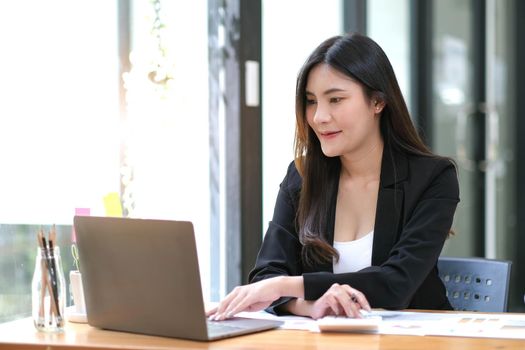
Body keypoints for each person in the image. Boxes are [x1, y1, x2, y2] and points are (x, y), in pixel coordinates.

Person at [207, 33, 459, 321]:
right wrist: (312, 306)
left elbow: (395, 284)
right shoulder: (301, 176)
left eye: (335, 99)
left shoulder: (433, 177)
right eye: (311, 101)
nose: (318, 117)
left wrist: (284, 286)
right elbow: (268, 271)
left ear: (377, 102)